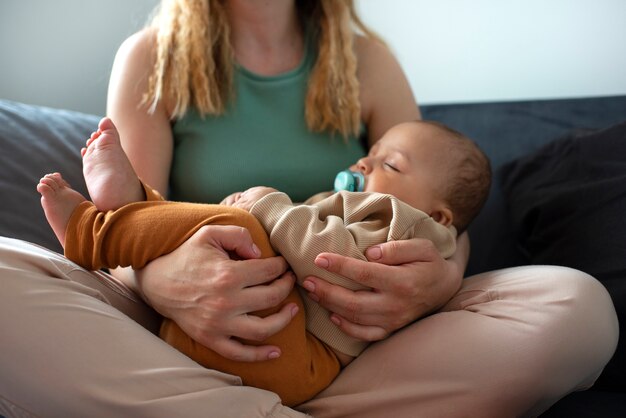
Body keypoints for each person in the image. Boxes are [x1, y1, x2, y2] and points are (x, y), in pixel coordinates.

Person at [0, 1, 618, 417]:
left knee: (576, 305)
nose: (370, 164)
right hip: (187, 317)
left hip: (345, 338)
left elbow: (435, 205)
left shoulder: (365, 63)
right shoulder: (151, 57)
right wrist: (169, 284)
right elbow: (134, 223)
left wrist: (440, 278)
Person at [36, 117, 490, 406]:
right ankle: (132, 209)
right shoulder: (350, 205)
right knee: (231, 232)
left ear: (439, 217)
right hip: (196, 308)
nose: (365, 163)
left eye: (389, 163)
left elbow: (331, 260)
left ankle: (101, 226)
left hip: (290, 357)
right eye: (370, 155)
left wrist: (266, 205)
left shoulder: (402, 224)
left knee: (241, 229)